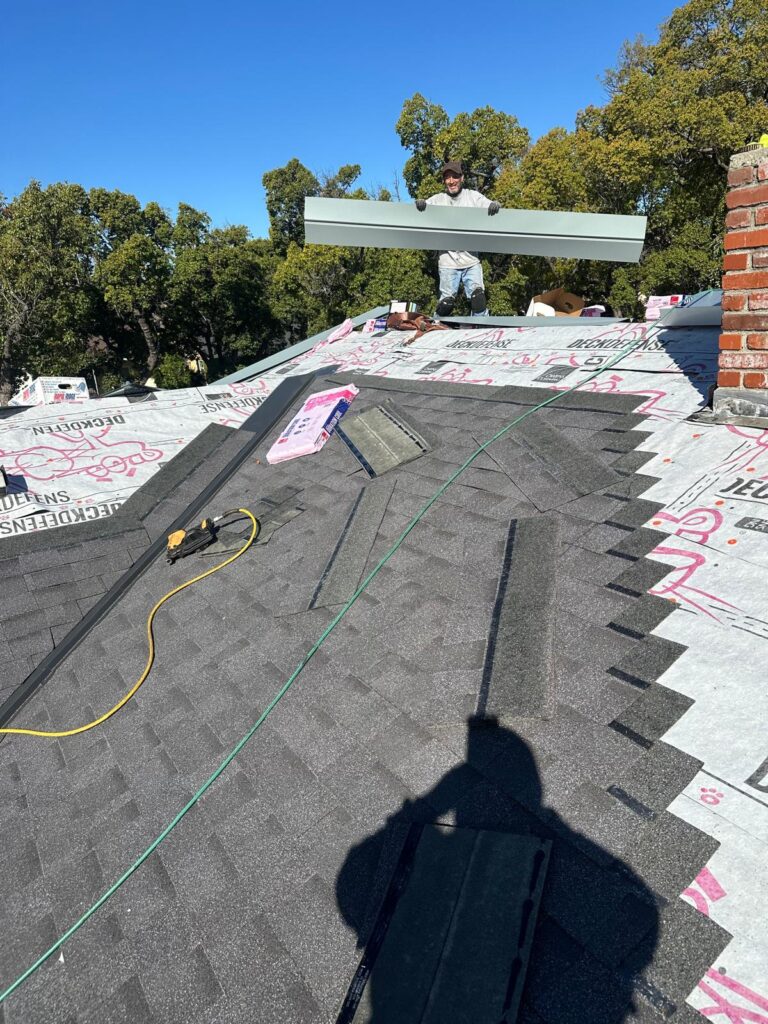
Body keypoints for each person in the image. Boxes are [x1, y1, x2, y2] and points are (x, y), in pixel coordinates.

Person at [415, 160, 500, 318]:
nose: (451, 181)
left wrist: (495, 205)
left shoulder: (472, 197)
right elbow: (424, 206)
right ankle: (436, 327)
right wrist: (421, 205)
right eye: (448, 178)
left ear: (461, 178)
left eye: (455, 177)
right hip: (448, 261)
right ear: (444, 181)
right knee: (446, 303)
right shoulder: (439, 199)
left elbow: (488, 204)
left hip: (471, 260)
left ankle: (481, 330)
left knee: (478, 298)